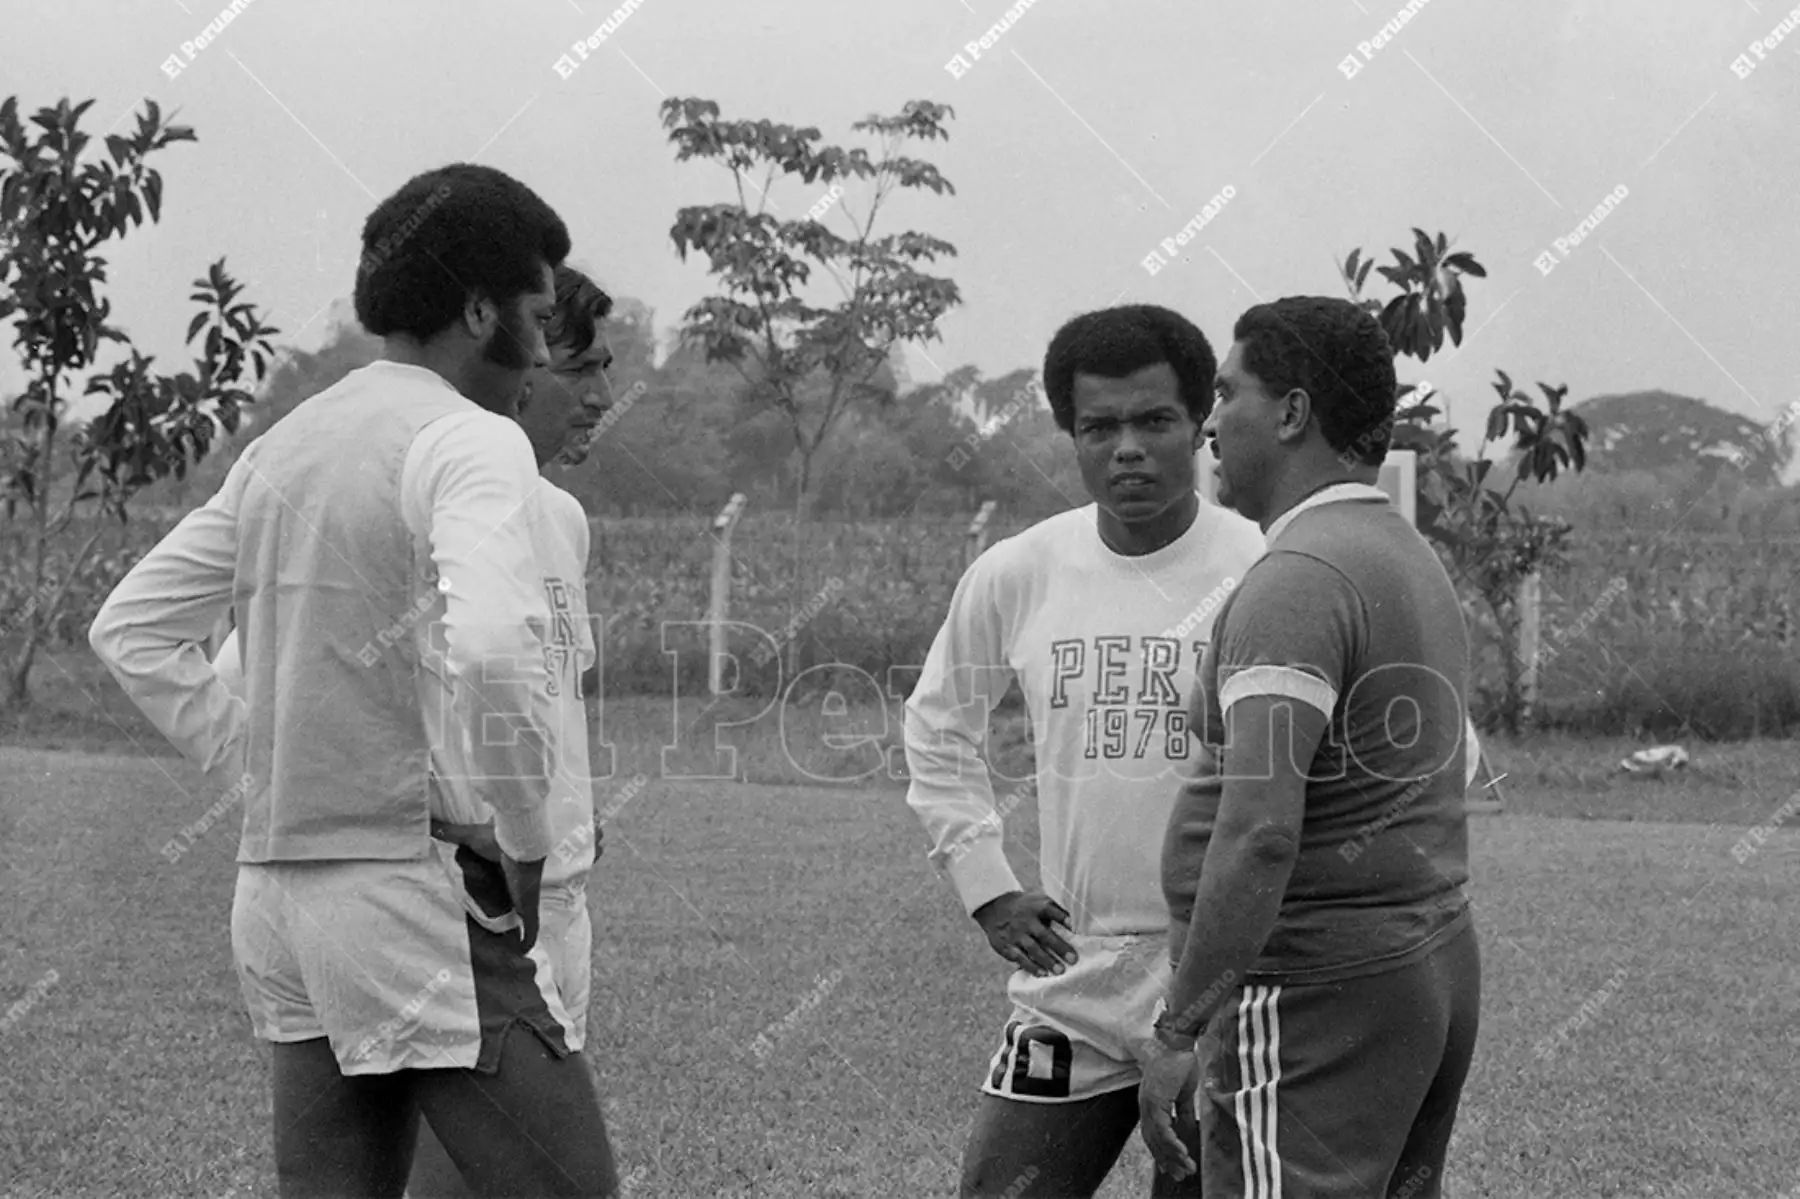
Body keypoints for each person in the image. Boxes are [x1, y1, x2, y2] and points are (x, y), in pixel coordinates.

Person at [89, 163, 619, 1198]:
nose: (543, 355)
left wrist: (276, 767)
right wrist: (518, 835)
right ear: (481, 311)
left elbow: (134, 630)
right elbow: (497, 649)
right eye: (538, 315)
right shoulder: (472, 438)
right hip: (415, 889)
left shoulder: (291, 440)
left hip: (280, 898)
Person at [904, 304, 1267, 1198]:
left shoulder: (1264, 565)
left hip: (1219, 973)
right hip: (1074, 971)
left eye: (1155, 422)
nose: (1128, 448)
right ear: (1069, 434)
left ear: (1201, 425)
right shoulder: (1021, 570)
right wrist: (986, 887)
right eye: (1098, 427)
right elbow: (938, 724)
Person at [1139, 296, 1480, 1198]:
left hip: (1317, 990)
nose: (1209, 421)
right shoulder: (1400, 552)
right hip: (1425, 963)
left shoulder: (1299, 578)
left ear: (1291, 413)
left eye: (1227, 391)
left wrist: (1179, 1029)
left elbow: (1261, 832)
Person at [405, 264, 618, 1198]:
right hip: (469, 905)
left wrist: (565, 817)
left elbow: (544, 698)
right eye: (584, 369)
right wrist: (431, 813)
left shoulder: (562, 520)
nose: (604, 397)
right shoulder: (419, 501)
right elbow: (288, 693)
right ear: (518, 364)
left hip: (560, 898)